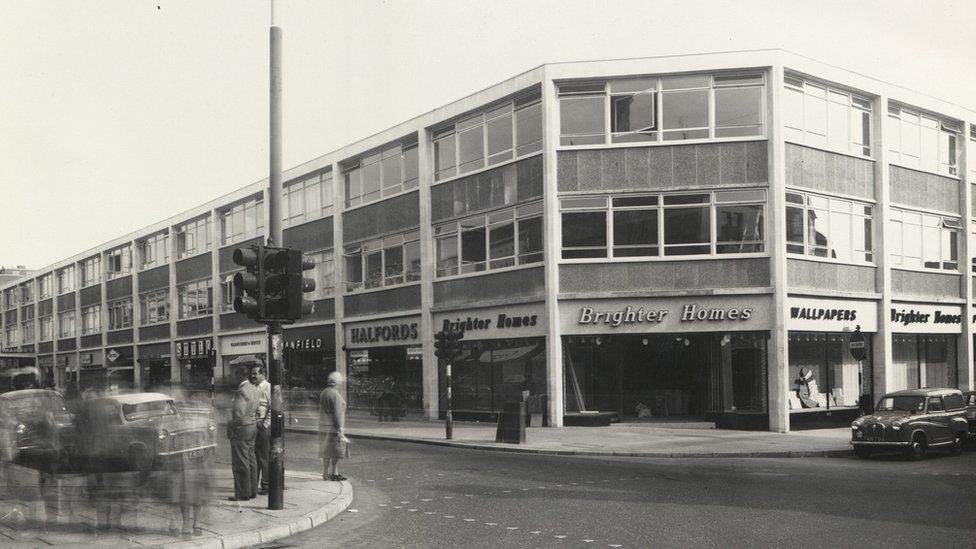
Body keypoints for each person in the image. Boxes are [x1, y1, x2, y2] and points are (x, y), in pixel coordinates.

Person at [228, 376, 261, 501]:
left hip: (242, 428)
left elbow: (238, 414)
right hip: (252, 426)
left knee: (240, 461)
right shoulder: (254, 389)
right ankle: (252, 490)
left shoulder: (242, 391)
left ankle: (243, 492)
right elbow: (257, 410)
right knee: (251, 458)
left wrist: (233, 427)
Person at [240, 364, 271, 495]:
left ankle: (266, 485)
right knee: (253, 456)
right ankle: (254, 484)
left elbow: (273, 407)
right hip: (253, 424)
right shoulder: (251, 387)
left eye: (255, 373)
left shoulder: (268, 387)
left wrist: (265, 424)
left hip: (262, 425)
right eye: (252, 373)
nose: (253, 376)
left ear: (263, 374)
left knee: (264, 456)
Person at [318, 371, 347, 481]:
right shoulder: (335, 394)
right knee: (336, 450)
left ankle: (325, 473)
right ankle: (334, 472)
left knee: (326, 451)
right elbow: (337, 412)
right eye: (340, 382)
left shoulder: (324, 392)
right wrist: (340, 428)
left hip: (323, 425)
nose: (341, 383)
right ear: (337, 382)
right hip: (333, 427)